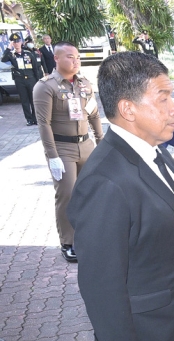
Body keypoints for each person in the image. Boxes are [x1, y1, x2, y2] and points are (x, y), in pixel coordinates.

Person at [67, 51, 174, 341]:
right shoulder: (105, 180)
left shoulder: (155, 152)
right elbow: (100, 283)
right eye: (163, 98)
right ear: (128, 109)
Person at [32, 41, 104, 263]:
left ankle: (89, 237)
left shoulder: (84, 83)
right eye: (70, 57)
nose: (76, 61)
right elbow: (43, 124)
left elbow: (93, 114)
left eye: (78, 57)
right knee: (67, 196)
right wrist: (52, 156)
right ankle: (68, 242)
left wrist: (101, 142)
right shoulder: (45, 86)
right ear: (56, 58)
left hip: (86, 146)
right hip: (63, 149)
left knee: (90, 193)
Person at [3, 33, 42, 126]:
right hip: (20, 80)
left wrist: (37, 80)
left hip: (31, 79)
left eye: (17, 41)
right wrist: (9, 48)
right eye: (14, 42)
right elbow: (3, 59)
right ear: (12, 43)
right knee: (24, 100)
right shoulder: (11, 55)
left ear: (21, 42)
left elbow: (35, 68)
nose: (16, 44)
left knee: (33, 99)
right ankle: (29, 119)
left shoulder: (28, 53)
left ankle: (35, 118)